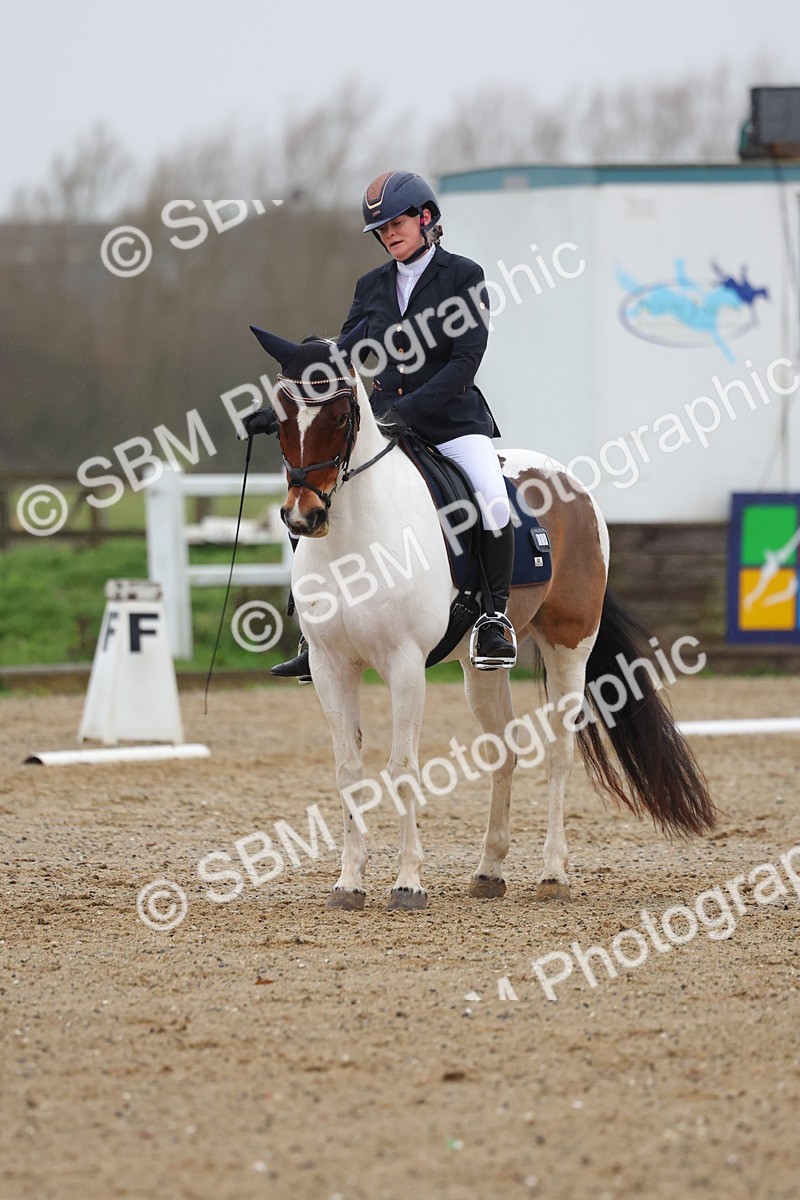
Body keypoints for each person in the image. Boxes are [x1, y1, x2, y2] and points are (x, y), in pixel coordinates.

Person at [245, 170, 516, 677]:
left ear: (426, 218)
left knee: (492, 498)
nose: (390, 234)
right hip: (386, 425)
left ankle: (494, 619)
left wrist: (408, 411)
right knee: (314, 492)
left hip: (453, 420)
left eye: (398, 223)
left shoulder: (464, 276)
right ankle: (314, 630)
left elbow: (465, 361)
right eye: (382, 229)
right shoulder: (371, 286)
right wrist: (283, 407)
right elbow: (339, 355)